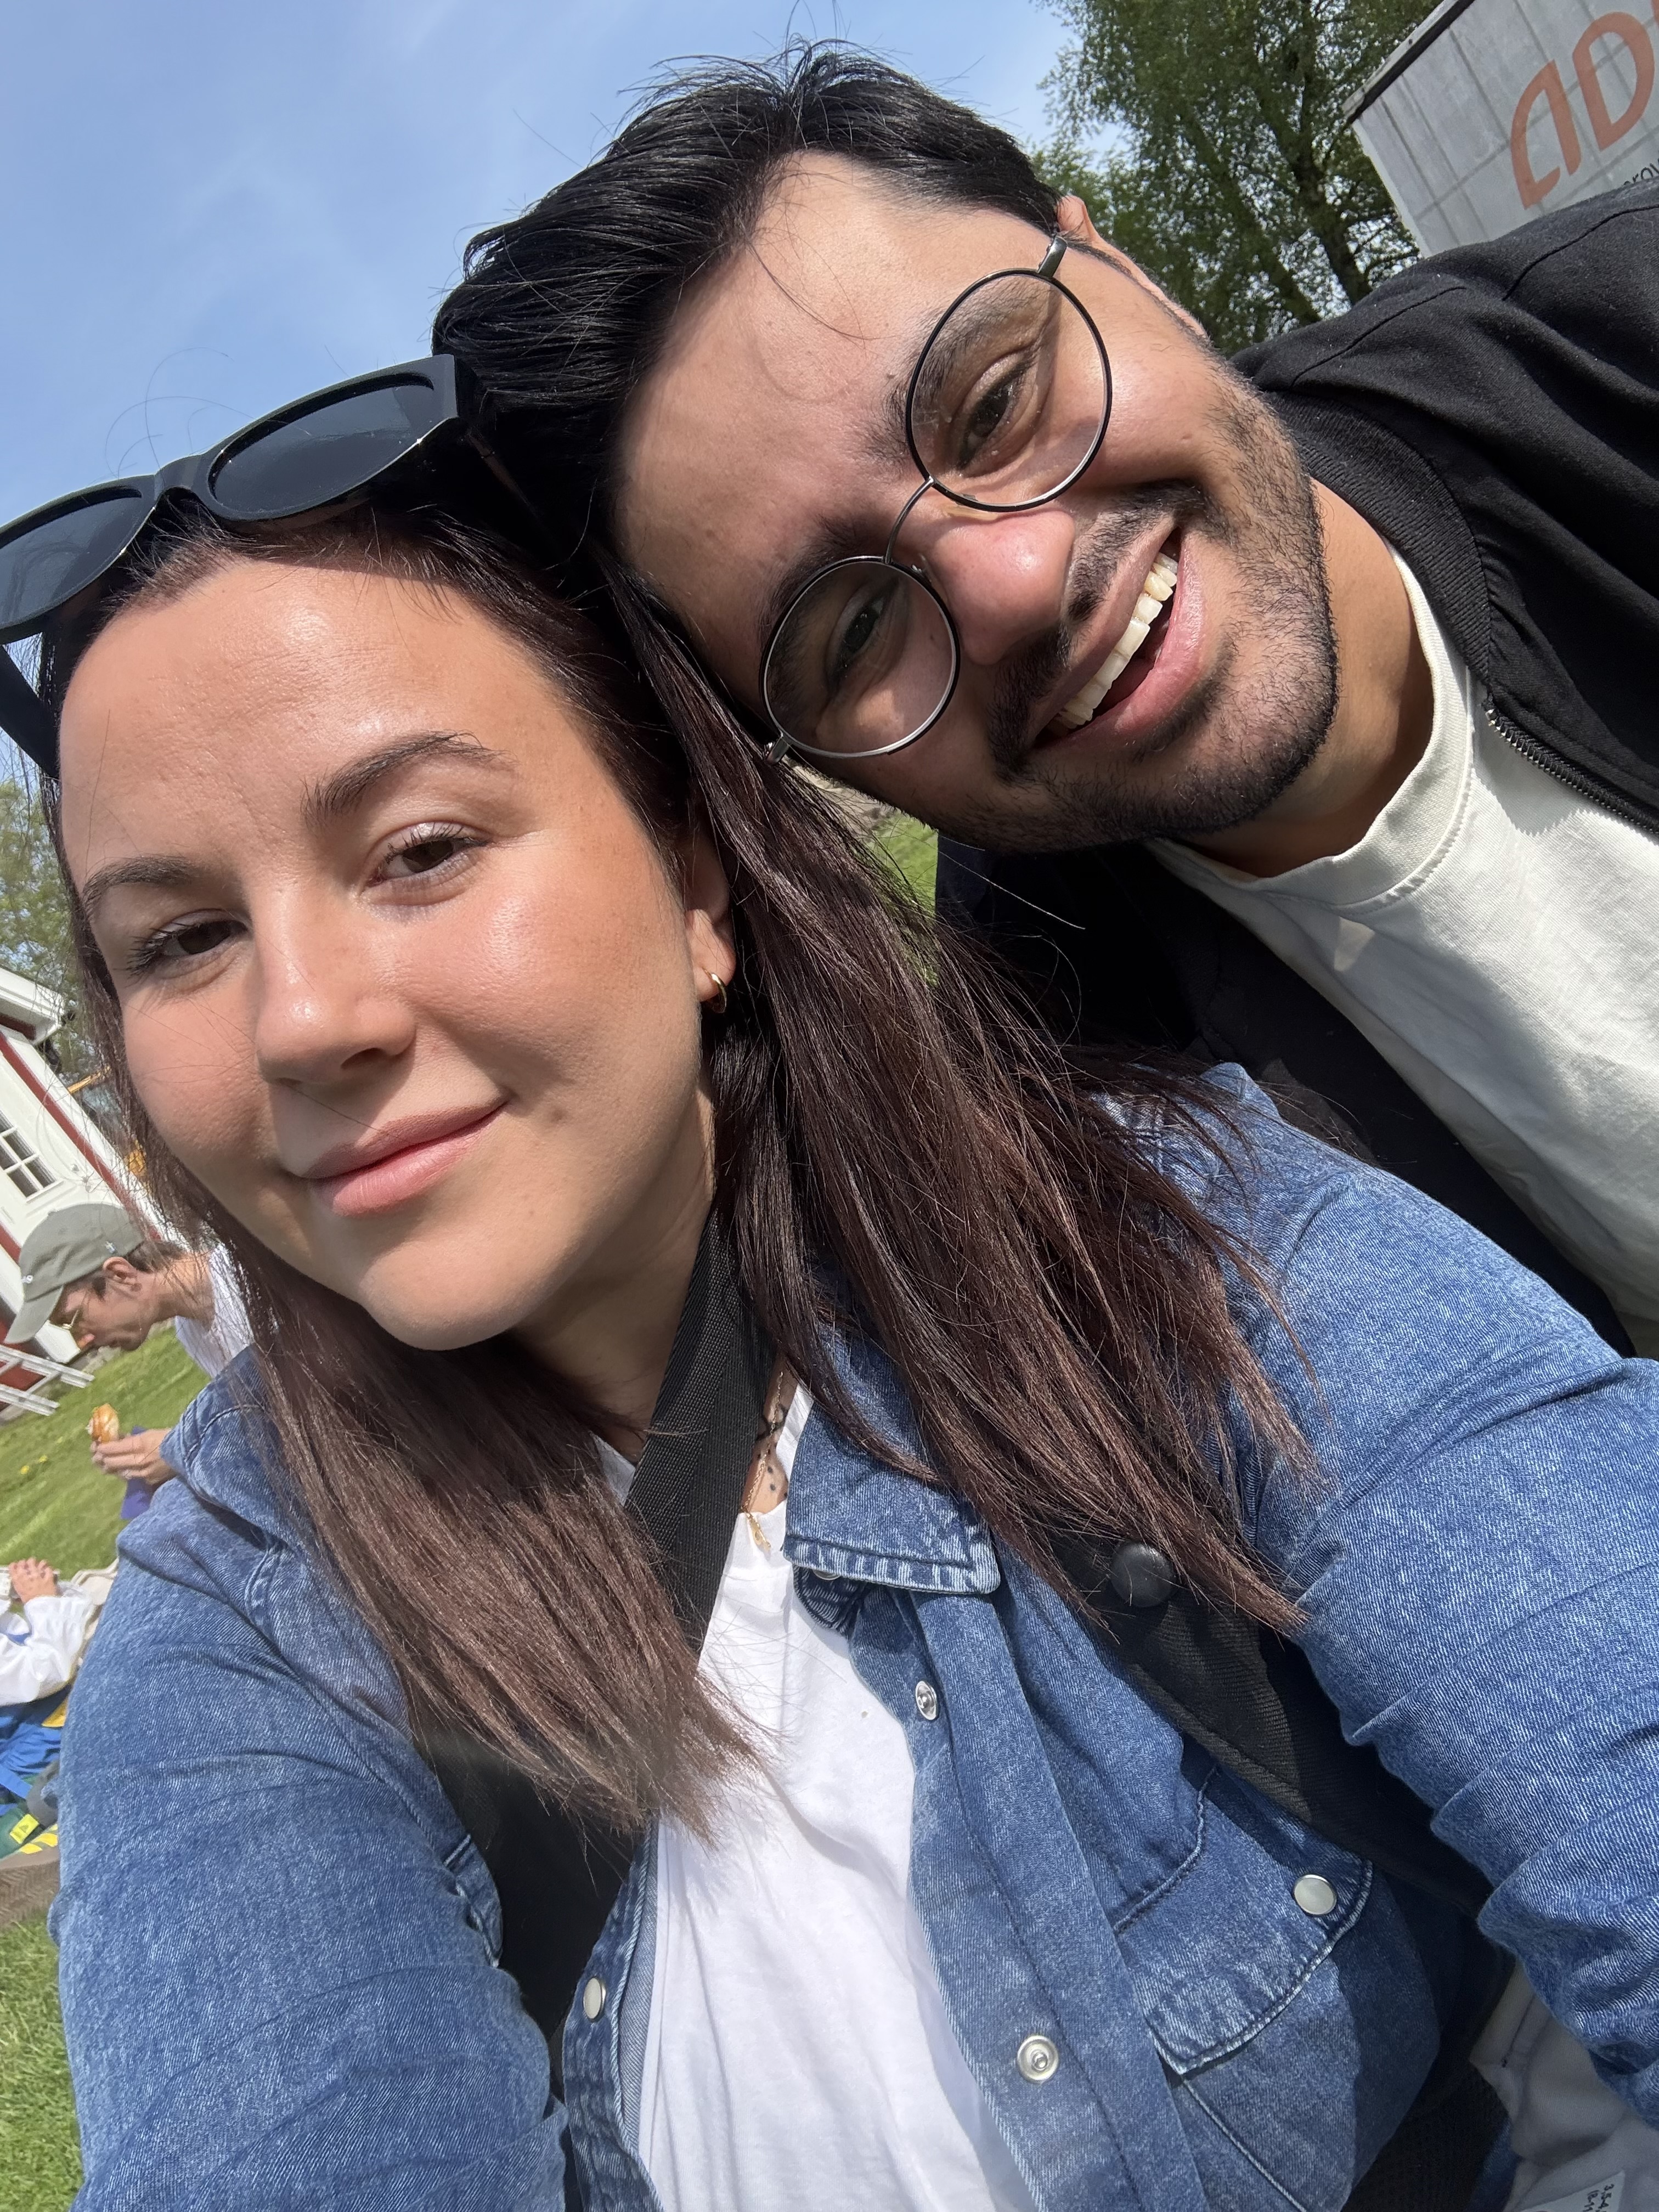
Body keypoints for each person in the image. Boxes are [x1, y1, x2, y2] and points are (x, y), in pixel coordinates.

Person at [6, 455, 1655, 2207]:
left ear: (696, 880)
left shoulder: (1165, 1251)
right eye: (183, 938)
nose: (300, 1019)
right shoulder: (250, 1623)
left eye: (422, 850)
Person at [430, 45, 1659, 1362]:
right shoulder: (1070, 1087)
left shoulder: (1616, 350)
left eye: (996, 403)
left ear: (1125, 271)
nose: (1012, 582)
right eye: (854, 629)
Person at [10, 1200, 251, 1512]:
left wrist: (182, 1449)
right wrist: (155, 1458)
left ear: (121, 1275)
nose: (82, 1341)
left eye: (73, 1319)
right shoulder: (190, 1329)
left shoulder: (251, 1279)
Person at [0, 1555, 97, 1811]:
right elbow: (46, 1671)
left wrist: (28, 1590)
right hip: (41, 1759)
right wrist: (42, 1601)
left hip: (53, 1726)